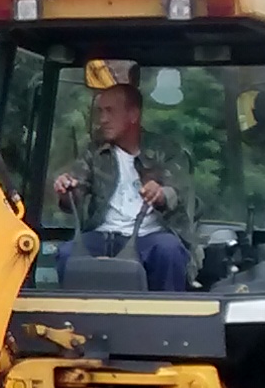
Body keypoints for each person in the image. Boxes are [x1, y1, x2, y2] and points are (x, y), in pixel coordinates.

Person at [51, 80, 190, 291]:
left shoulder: (166, 150)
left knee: (169, 251)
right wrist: (66, 189)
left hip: (149, 237)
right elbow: (75, 193)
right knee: (67, 254)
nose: (103, 119)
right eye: (100, 112)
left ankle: (168, 320)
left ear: (133, 115)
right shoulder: (94, 152)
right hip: (102, 235)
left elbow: (180, 192)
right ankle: (75, 320)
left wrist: (161, 194)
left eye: (110, 111)